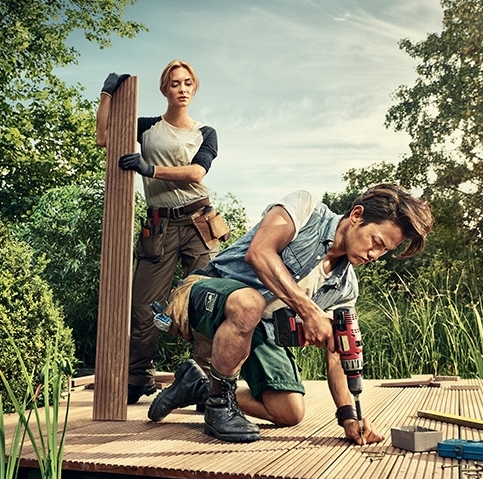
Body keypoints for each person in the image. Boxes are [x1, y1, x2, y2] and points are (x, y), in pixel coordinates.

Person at [147, 184, 434, 444]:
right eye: (376, 241)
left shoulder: (345, 287)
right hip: (207, 294)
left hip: (259, 326)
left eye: (384, 251)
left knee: (289, 411)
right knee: (250, 302)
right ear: (357, 215)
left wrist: (349, 416)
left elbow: (339, 351)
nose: (375, 255)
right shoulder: (305, 208)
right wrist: (308, 310)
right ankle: (219, 408)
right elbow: (259, 254)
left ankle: (197, 386)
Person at [96, 61, 222, 404]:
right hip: (159, 225)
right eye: (174, 83)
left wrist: (148, 168)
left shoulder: (205, 132)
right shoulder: (147, 128)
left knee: (206, 304)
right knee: (143, 305)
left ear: (193, 89)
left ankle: (204, 383)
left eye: (187, 83)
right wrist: (107, 95)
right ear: (164, 89)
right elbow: (104, 138)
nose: (181, 89)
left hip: (199, 222)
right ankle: (138, 378)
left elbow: (197, 172)